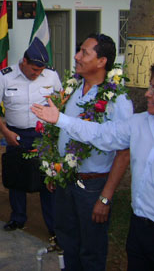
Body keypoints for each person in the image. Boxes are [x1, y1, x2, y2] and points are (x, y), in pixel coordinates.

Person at [31, 64, 154, 271]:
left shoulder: (117, 100)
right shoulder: (138, 123)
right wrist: (60, 119)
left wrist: (104, 197)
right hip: (140, 225)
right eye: (150, 87)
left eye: (153, 89)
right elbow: (100, 134)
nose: (147, 94)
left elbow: (121, 156)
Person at [38, 34, 133, 271]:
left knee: (91, 251)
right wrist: (55, 172)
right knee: (68, 243)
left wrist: (105, 197)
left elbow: (124, 151)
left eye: (84, 52)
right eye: (79, 51)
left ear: (101, 61)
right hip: (66, 181)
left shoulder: (117, 99)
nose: (76, 56)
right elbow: (61, 134)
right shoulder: (73, 88)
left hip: (93, 187)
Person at [0, 37, 62, 242]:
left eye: (40, 71)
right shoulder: (5, 76)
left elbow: (61, 100)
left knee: (48, 179)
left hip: (44, 136)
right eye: (34, 70)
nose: (37, 74)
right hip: (15, 134)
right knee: (16, 176)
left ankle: (53, 224)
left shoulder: (51, 75)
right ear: (24, 62)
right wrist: (4, 132)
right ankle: (18, 218)